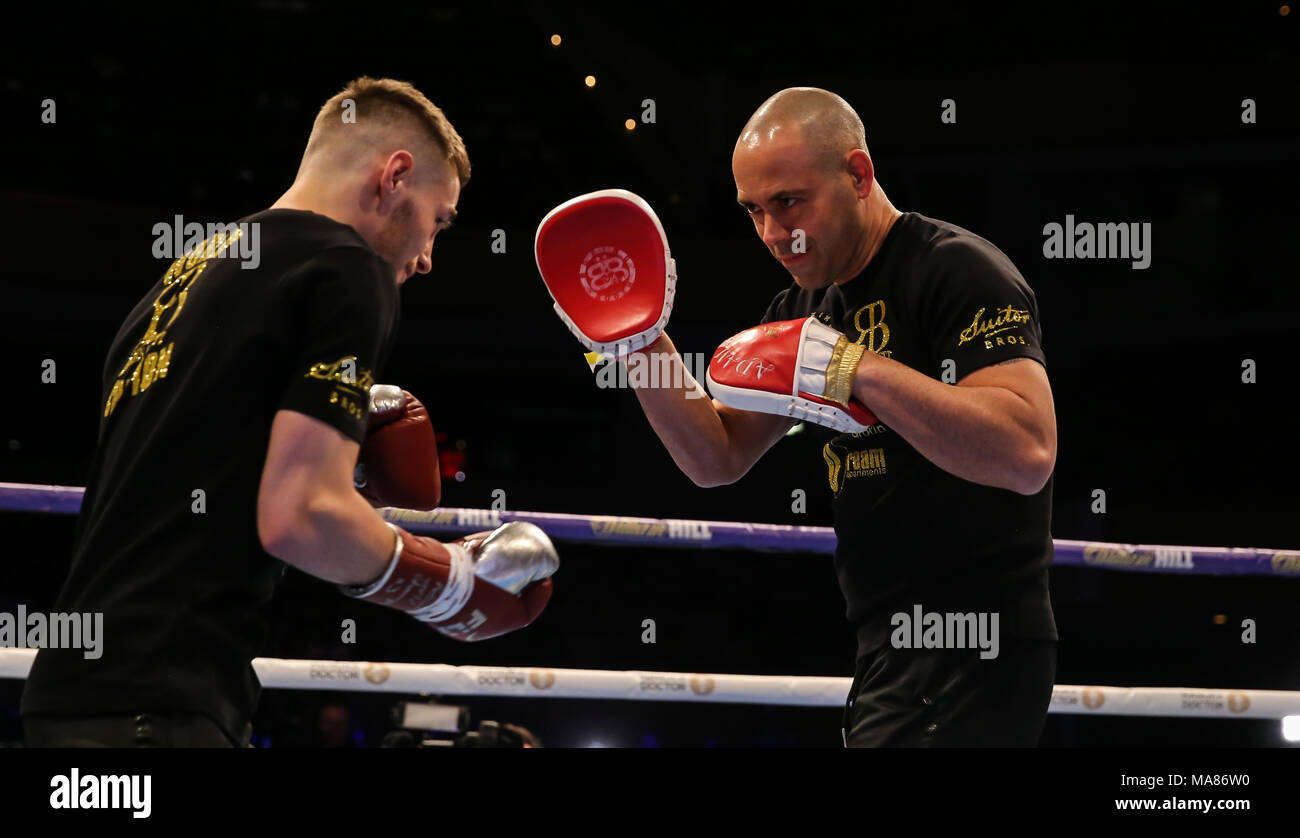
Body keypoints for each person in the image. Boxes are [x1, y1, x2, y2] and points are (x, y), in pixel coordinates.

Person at [22, 77, 556, 749]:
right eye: (438, 220)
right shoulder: (346, 270)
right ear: (394, 175)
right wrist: (447, 584)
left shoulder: (181, 283)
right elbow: (299, 516)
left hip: (69, 702)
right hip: (160, 708)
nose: (426, 258)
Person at [537, 87, 1057, 747]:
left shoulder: (957, 270)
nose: (773, 234)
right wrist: (641, 345)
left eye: (788, 202)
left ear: (858, 175)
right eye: (753, 210)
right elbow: (716, 457)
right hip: (885, 643)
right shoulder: (802, 304)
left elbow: (1026, 452)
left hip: (975, 642)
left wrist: (850, 367)